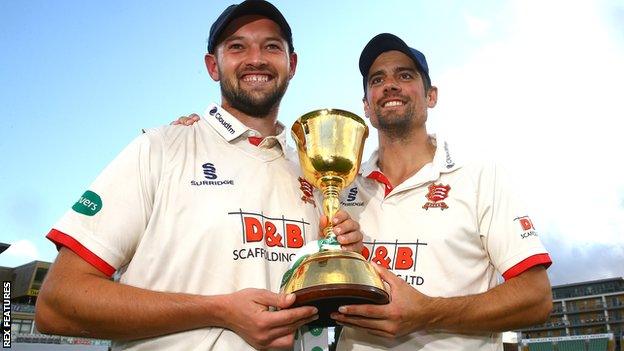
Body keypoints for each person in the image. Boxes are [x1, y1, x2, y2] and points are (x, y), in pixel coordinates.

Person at [34, 1, 364, 350]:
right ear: (213, 66)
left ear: (291, 64)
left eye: (271, 46)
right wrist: (218, 311)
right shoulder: (160, 148)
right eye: (237, 46)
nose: (256, 58)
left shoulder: (313, 173)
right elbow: (56, 305)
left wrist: (342, 258)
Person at [326, 33, 554, 350]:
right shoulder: (342, 188)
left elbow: (537, 298)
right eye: (377, 79)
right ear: (366, 105)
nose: (390, 85)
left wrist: (427, 314)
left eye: (404, 75)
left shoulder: (479, 175)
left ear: (431, 96)